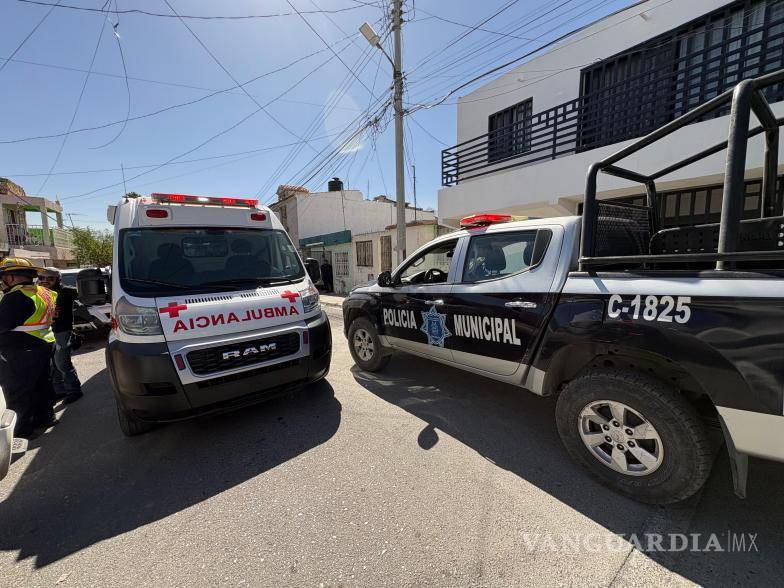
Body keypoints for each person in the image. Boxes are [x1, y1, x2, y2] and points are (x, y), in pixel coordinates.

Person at [0, 257, 58, 438]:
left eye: (3, 277)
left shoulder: (16, 297)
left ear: (11, 277)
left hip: (21, 350)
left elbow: (3, 324)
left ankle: (22, 431)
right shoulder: (45, 292)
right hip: (44, 344)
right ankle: (46, 417)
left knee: (18, 391)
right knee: (42, 384)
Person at [38, 267, 83, 403]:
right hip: (46, 332)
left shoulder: (66, 291)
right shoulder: (40, 293)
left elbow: (84, 294)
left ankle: (74, 391)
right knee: (52, 364)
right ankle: (60, 390)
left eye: (50, 278)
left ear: (58, 280)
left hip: (62, 331)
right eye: (42, 278)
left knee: (62, 363)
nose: (45, 281)